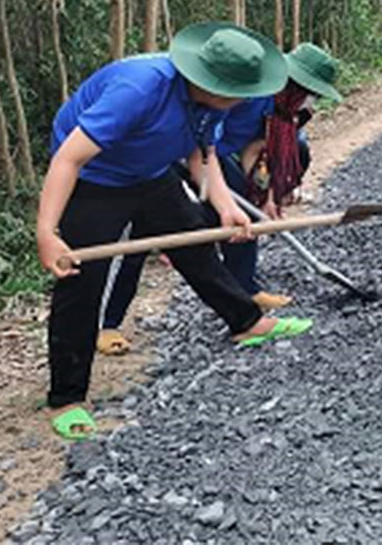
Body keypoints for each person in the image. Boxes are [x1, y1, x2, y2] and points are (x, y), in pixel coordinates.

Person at [36, 23, 314, 441]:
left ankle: (246, 322)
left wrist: (225, 207)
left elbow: (203, 156)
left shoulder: (216, 105)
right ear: (210, 80)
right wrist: (46, 232)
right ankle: (66, 397)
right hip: (97, 178)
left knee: (196, 241)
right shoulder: (140, 89)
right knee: (83, 277)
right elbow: (68, 160)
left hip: (150, 173)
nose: (247, 99)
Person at [94, 43, 343, 354]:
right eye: (309, 92)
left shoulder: (285, 109)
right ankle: (108, 323)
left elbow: (257, 150)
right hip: (179, 156)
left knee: (245, 217)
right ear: (293, 82)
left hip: (213, 161)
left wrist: (265, 198)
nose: (311, 101)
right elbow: (202, 132)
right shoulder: (249, 93)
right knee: (142, 233)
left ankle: (244, 292)